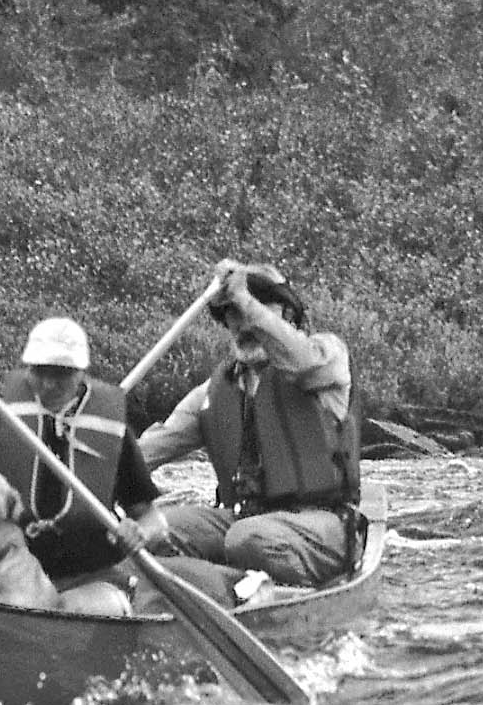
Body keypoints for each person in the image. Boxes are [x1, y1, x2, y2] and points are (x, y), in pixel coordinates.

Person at [138, 259, 363, 604]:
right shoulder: (213, 393)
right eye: (232, 313)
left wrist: (244, 298)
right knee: (154, 532)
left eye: (257, 306)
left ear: (288, 314)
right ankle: (221, 591)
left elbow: (301, 360)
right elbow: (142, 454)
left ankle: (281, 597)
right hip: (246, 520)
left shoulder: (327, 357)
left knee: (248, 539)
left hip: (323, 522)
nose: (244, 321)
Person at [0, 314, 168, 616]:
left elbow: (153, 520)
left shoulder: (113, 431)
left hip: (90, 578)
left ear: (81, 373)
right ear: (28, 368)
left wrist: (139, 534)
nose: (48, 384)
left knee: (80, 608)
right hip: (9, 571)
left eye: (61, 374)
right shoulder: (5, 416)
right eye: (40, 372)